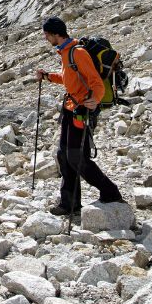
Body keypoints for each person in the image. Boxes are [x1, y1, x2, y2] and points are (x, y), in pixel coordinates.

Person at [34, 16, 123, 216]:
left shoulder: (78, 53)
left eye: (47, 35)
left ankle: (110, 192)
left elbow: (95, 82)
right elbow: (69, 80)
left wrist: (95, 100)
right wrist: (48, 76)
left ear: (56, 34)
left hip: (82, 110)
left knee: (75, 156)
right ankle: (70, 203)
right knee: (63, 155)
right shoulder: (66, 53)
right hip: (70, 108)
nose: (46, 38)